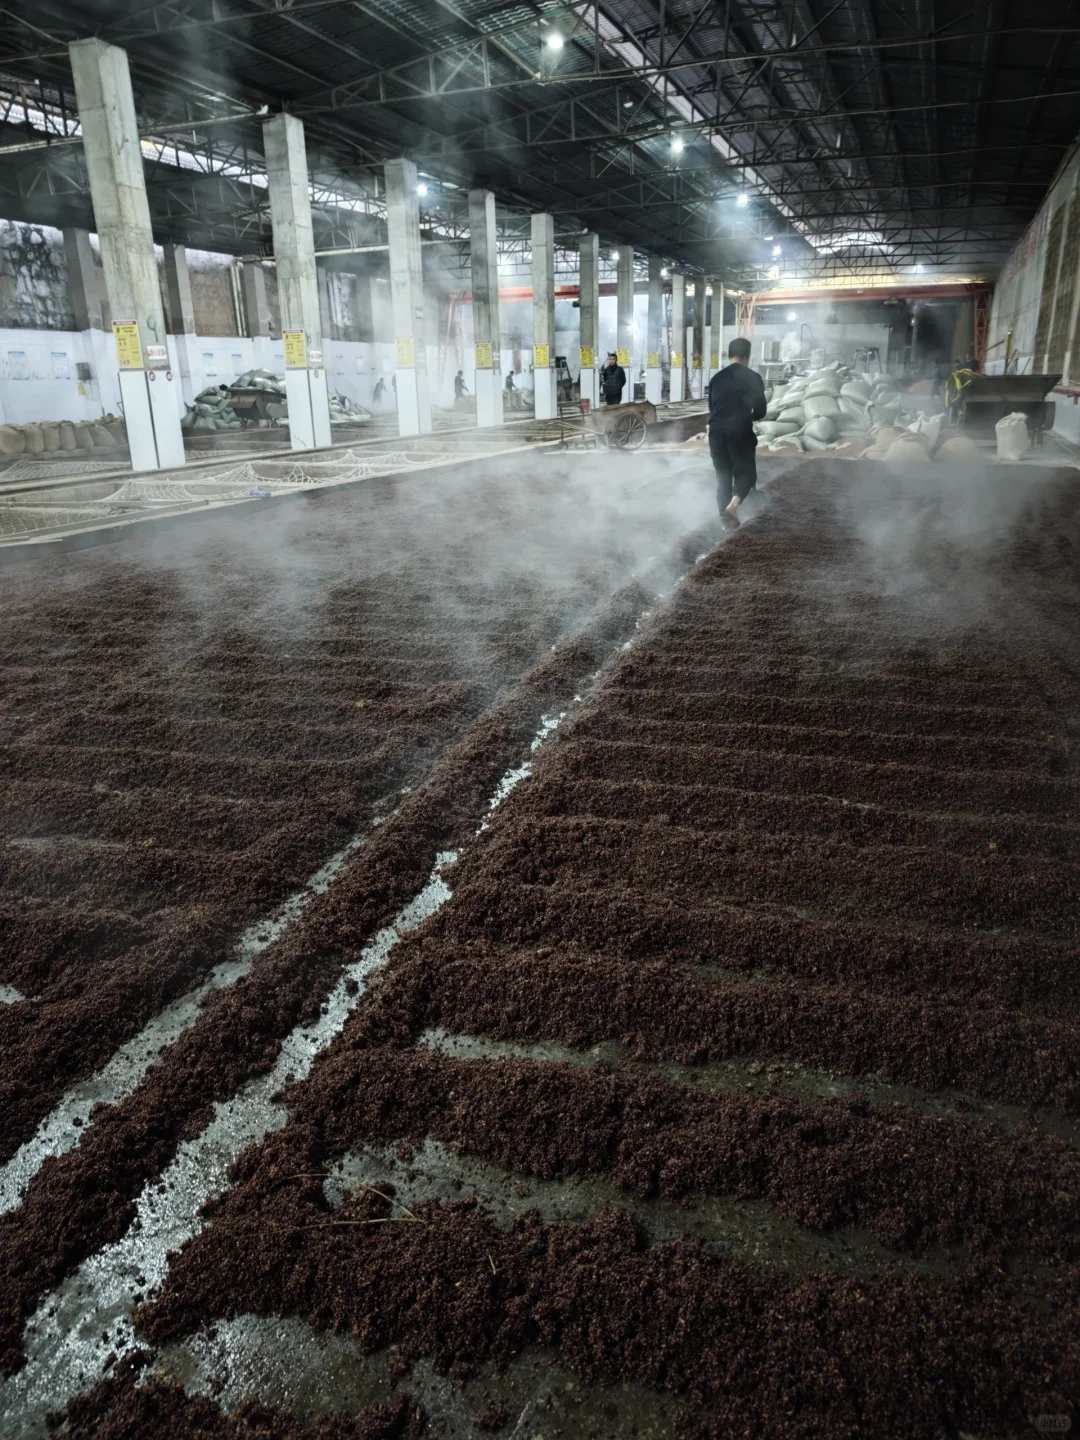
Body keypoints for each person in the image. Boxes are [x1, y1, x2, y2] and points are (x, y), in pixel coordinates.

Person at [707, 336, 767, 528]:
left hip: (715, 432)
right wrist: (749, 416)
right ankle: (733, 505)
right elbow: (760, 411)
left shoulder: (716, 378)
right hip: (739, 431)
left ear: (729, 354)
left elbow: (712, 407)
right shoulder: (753, 377)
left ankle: (726, 525)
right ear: (748, 355)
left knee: (723, 476)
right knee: (746, 472)